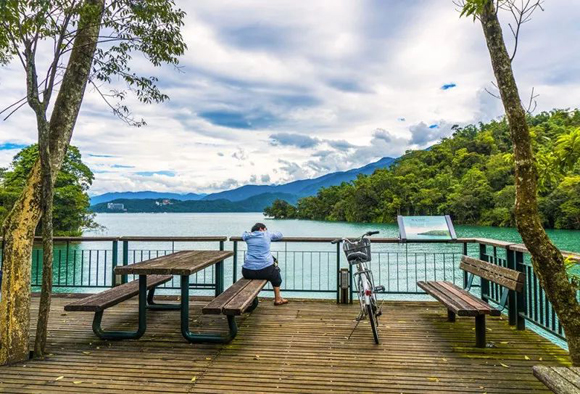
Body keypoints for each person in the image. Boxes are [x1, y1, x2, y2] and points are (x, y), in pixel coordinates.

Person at [242, 222, 288, 306]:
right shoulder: (266, 234)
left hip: (247, 271)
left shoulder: (247, 236)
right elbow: (279, 235)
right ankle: (277, 299)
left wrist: (248, 232)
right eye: (265, 229)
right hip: (264, 270)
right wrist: (267, 231)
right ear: (261, 229)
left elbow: (243, 234)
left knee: (272, 268)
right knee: (276, 275)